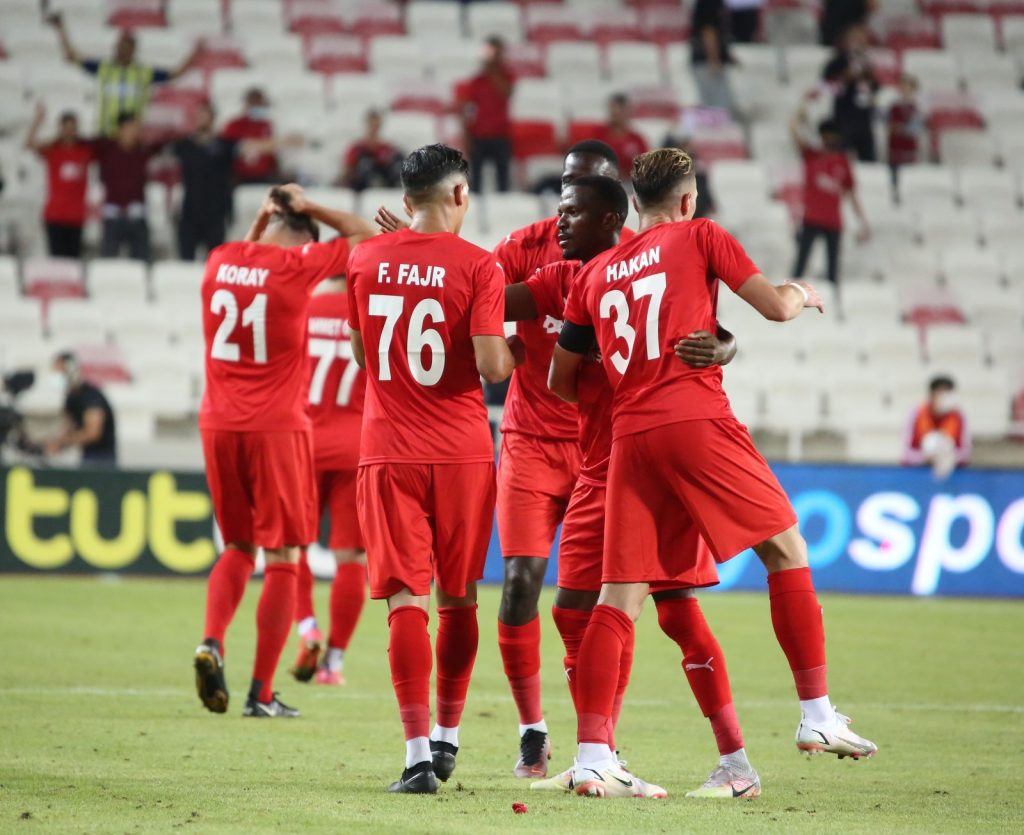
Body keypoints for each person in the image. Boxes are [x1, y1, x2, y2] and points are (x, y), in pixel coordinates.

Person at [547, 148, 877, 797]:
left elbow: (562, 380)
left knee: (618, 598)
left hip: (628, 438)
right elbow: (774, 308)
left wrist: (631, 378)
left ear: (634, 204)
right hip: (695, 418)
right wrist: (801, 292)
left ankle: (593, 757)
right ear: (688, 199)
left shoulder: (596, 273)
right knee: (786, 549)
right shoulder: (701, 235)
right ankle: (817, 715)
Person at [504, 177, 761, 800]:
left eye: (573, 210)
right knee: (572, 609)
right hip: (596, 467)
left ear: (612, 217)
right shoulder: (561, 278)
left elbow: (714, 332)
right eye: (559, 207)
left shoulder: (653, 266)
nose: (559, 221)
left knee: (675, 610)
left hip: (643, 465)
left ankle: (736, 761)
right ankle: (599, 756)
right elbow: (493, 300)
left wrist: (725, 347)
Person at [346, 144, 518, 794]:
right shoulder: (479, 264)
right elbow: (493, 366)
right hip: (463, 452)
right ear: (460, 195)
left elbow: (364, 355)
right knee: (459, 595)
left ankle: (417, 756)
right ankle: (448, 734)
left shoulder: (364, 258)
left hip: (389, 448)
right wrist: (521, 346)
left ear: (406, 197)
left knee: (405, 601)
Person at [193, 185, 375, 720]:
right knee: (285, 557)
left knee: (237, 546)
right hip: (279, 429)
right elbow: (363, 234)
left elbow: (245, 250)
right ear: (303, 242)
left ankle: (211, 640)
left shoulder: (218, 260)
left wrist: (262, 217)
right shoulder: (297, 269)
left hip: (217, 424)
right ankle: (262, 692)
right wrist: (310, 205)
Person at [490, 140, 633, 779]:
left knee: (593, 605)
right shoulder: (526, 248)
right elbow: (479, 300)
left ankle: (599, 744)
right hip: (528, 439)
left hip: (600, 447)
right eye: (563, 189)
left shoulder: (634, 259)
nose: (565, 203)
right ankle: (532, 730)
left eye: (582, 191)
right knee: (520, 582)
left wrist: (723, 347)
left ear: (611, 205)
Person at [289, 275, 368, 686]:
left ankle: (308, 630)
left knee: (291, 547)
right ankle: (333, 663)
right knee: (351, 558)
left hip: (303, 442)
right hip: (356, 445)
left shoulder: (304, 307)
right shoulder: (370, 309)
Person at [172, 101, 298, 261]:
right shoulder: (184, 146)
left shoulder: (223, 145)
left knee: (214, 260)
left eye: (204, 115)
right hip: (190, 211)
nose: (200, 119)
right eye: (198, 116)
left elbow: (253, 146)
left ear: (212, 117)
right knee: (185, 260)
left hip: (216, 211)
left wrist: (284, 142)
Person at [49, 14, 198, 137]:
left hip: (130, 137)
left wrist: (196, 53)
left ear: (133, 50)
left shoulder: (143, 73)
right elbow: (72, 57)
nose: (122, 51)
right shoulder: (104, 68)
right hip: (106, 134)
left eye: (126, 48)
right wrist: (60, 30)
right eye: (120, 47)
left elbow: (175, 74)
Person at [790, 101, 869, 285]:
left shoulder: (843, 162)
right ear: (822, 136)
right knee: (799, 267)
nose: (830, 139)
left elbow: (851, 194)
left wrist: (862, 221)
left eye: (833, 135)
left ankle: (832, 301)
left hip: (833, 222)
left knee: (833, 271)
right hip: (811, 219)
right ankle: (788, 299)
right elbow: (793, 131)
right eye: (827, 135)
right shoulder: (812, 155)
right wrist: (802, 108)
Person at [24, 105, 93, 258]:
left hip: (76, 216)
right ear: (61, 129)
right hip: (55, 216)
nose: (69, 131)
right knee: (57, 261)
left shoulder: (85, 151)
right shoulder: (53, 150)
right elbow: (28, 144)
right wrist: (37, 122)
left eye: (72, 128)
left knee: (73, 261)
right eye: (66, 128)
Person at [93, 113, 159, 261]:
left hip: (137, 214)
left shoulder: (143, 150)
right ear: (120, 129)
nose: (135, 131)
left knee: (141, 261)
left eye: (137, 127)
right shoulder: (107, 149)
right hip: (113, 214)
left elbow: (163, 143)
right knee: (107, 260)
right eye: (131, 127)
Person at [460, 36, 515, 193]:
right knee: (475, 181)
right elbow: (467, 109)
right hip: (479, 135)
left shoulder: (506, 76)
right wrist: (467, 135)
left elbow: (507, 92)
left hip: (501, 135)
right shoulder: (477, 81)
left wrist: (493, 72)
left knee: (503, 181)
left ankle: (503, 205)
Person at [44, 352, 116, 466]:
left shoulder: (91, 396)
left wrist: (62, 441)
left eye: (60, 372)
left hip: (102, 460)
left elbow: (93, 433)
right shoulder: (71, 398)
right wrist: (54, 443)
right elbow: (69, 426)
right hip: (86, 457)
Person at [902, 375, 971, 480]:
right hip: (917, 474)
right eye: (941, 394)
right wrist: (926, 458)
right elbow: (907, 453)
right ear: (931, 395)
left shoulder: (958, 416)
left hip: (952, 476)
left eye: (949, 394)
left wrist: (948, 458)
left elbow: (965, 453)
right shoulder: (916, 414)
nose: (945, 398)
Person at [222, 89, 282, 185]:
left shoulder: (266, 125)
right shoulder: (234, 125)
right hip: (239, 176)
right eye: (254, 104)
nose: (258, 107)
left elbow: (273, 151)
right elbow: (227, 149)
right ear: (247, 104)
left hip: (264, 175)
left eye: (260, 104)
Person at [691, 0, 739, 116]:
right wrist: (713, 60)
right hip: (705, 61)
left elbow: (719, 32)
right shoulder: (708, 3)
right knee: (718, 109)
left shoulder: (718, 3)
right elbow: (708, 31)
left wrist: (727, 55)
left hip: (712, 60)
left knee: (719, 107)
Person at [338, 109, 404, 192]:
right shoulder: (356, 149)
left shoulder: (387, 149)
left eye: (376, 125)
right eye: (371, 125)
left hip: (385, 188)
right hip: (362, 189)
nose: (373, 129)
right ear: (366, 125)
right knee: (365, 164)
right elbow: (345, 173)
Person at [887, 74, 922, 194]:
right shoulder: (894, 106)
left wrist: (904, 128)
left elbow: (918, 127)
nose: (904, 90)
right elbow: (889, 124)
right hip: (895, 143)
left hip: (908, 143)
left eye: (907, 87)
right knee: (895, 167)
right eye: (902, 87)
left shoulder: (916, 107)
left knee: (909, 172)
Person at [596, 94, 649, 175]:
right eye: (613, 113)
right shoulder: (599, 136)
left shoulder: (637, 140)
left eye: (619, 112)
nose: (615, 115)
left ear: (627, 112)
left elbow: (645, 167)